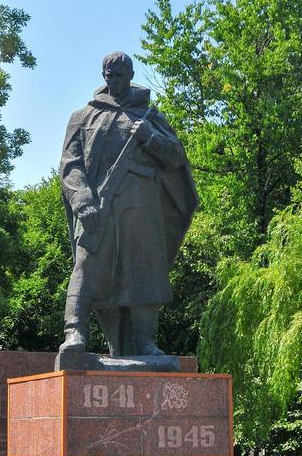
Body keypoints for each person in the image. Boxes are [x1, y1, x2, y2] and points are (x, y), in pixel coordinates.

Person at [59, 51, 198, 357]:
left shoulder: (149, 116)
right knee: (87, 265)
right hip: (98, 204)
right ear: (103, 76)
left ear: (131, 75)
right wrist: (81, 199)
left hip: (142, 204)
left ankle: (145, 341)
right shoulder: (83, 116)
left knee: (144, 271)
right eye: (109, 75)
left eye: (120, 75)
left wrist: (149, 137)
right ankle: (74, 333)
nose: (115, 80)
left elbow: (175, 157)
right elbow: (71, 164)